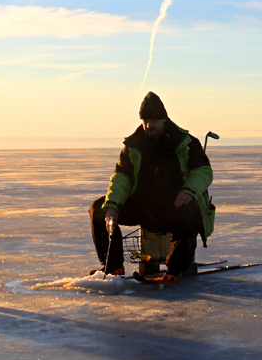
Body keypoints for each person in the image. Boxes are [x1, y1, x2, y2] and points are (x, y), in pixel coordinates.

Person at [90, 92, 215, 280]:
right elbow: (121, 178)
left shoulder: (186, 143)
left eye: (154, 120)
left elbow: (203, 171)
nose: (149, 125)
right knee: (99, 210)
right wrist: (113, 206)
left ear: (164, 119)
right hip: (142, 207)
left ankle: (175, 271)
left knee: (191, 211)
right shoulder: (134, 145)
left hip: (174, 206)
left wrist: (189, 190)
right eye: (145, 120)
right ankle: (113, 267)